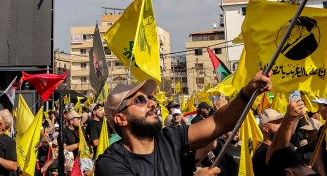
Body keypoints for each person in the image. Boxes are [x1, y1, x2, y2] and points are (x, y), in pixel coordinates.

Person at [95, 71, 271, 176]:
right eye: (140, 100)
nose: (152, 103)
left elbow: (220, 122)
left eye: (150, 97)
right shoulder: (111, 163)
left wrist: (248, 92)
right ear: (121, 119)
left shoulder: (170, 137)